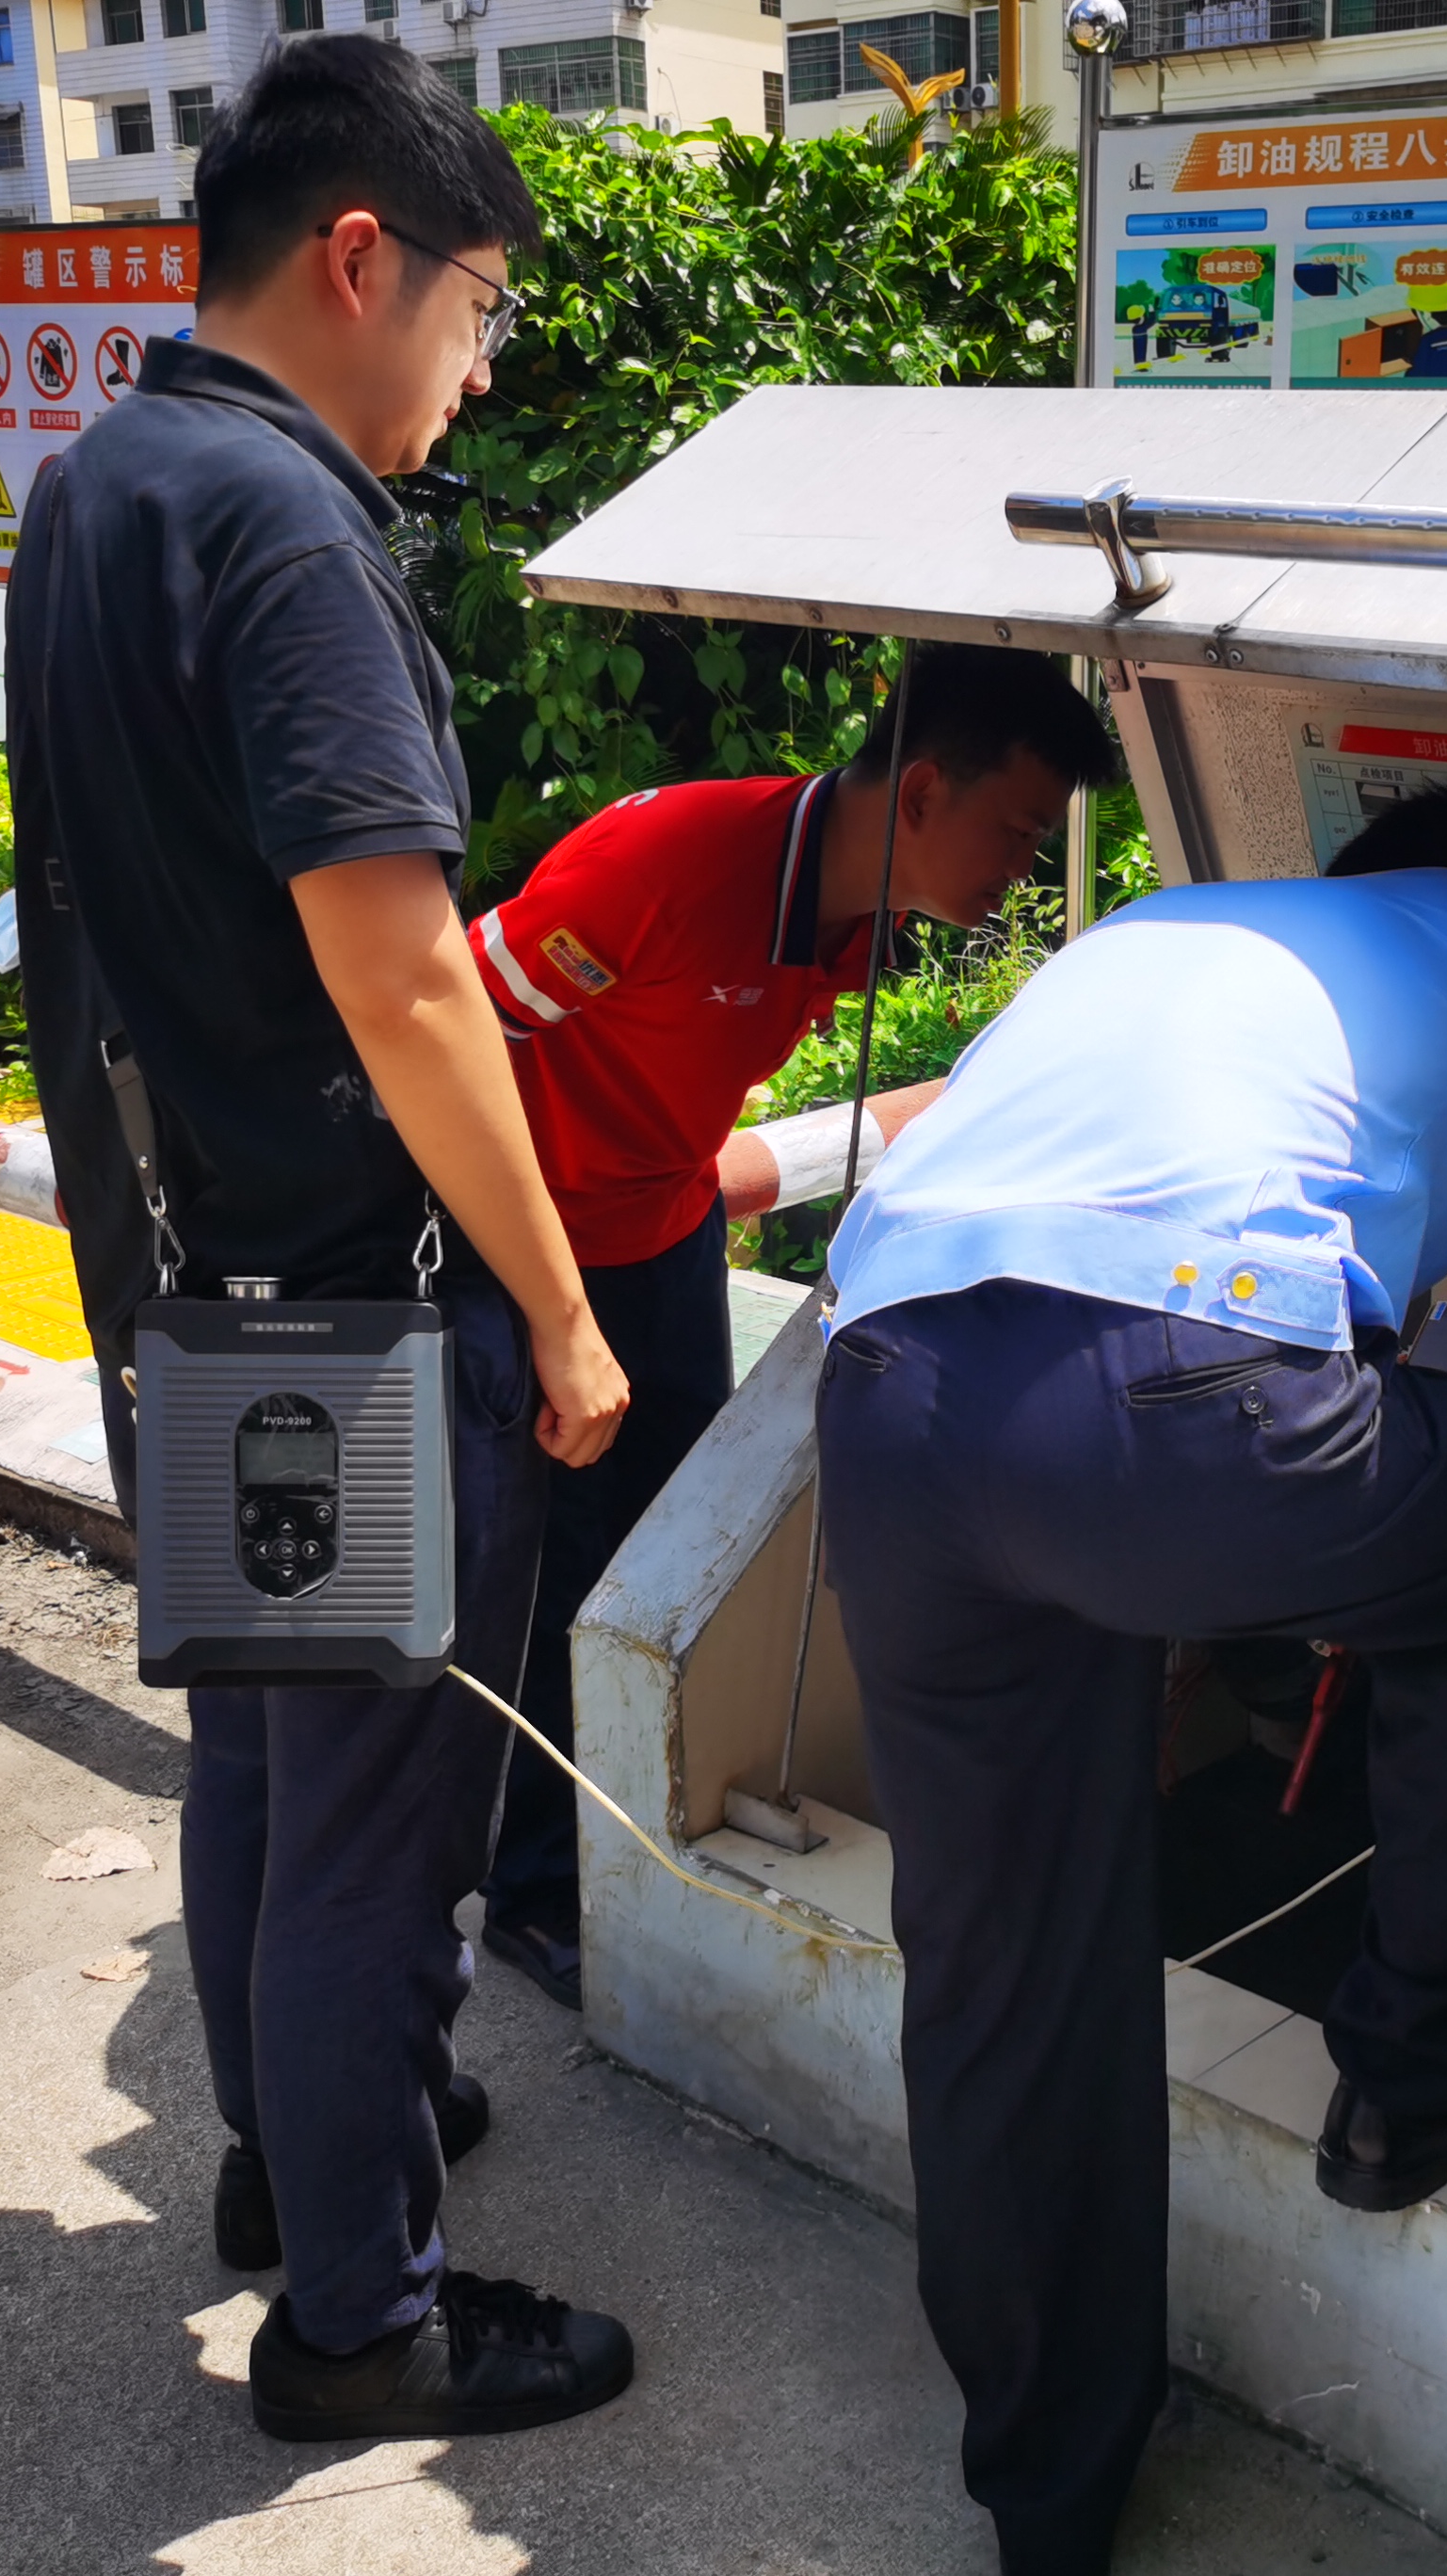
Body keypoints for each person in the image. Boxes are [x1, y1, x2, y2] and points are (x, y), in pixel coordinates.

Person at [814, 784, 1447, 2576]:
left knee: (1001, 1952)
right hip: (1185, 1394)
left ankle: (1048, 2490)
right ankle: (1425, 2067)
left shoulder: (1161, 932)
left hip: (891, 1402)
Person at [4, 34, 638, 2445]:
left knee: (268, 1769)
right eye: (479, 308)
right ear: (360, 256)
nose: (476, 373)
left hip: (193, 1275)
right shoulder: (290, 529)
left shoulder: (103, 486)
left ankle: (298, 2159)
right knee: (380, 1820)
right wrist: (562, 1313)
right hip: (361, 1306)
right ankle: (364, 2324)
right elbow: (403, 976)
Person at [460, 646, 1117, 2005]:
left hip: (667, 1233)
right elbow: (447, 1038)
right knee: (553, 1567)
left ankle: (645, 1844)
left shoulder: (858, 911)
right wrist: (541, 1303)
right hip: (536, 1254)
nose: (1019, 871)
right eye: (1014, 832)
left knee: (674, 1553)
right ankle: (534, 1891)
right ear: (922, 793)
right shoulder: (665, 867)